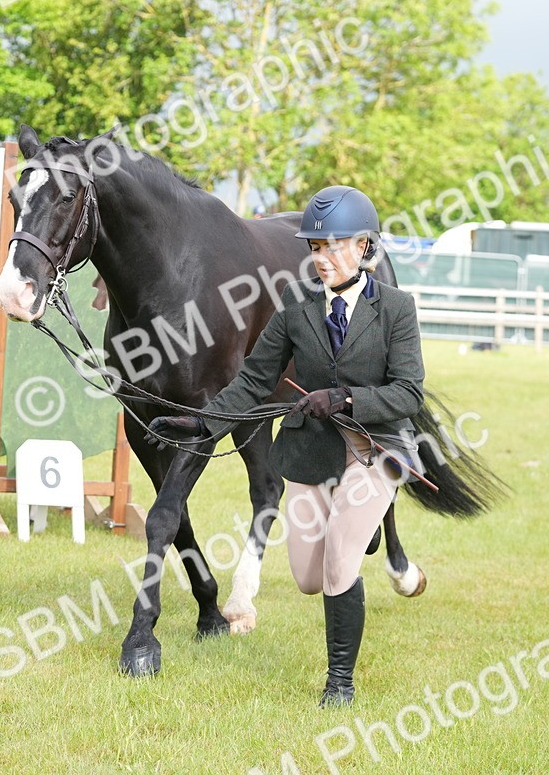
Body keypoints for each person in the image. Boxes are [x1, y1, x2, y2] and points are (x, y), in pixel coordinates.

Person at [147, 185, 425, 708]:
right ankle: (353, 529)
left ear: (365, 247)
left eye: (333, 246)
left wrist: (343, 399)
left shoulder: (396, 308)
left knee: (341, 560)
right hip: (309, 450)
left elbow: (409, 392)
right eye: (314, 248)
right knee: (307, 577)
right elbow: (252, 381)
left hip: (375, 445)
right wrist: (199, 423)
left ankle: (339, 682)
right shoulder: (295, 307)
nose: (321, 259)